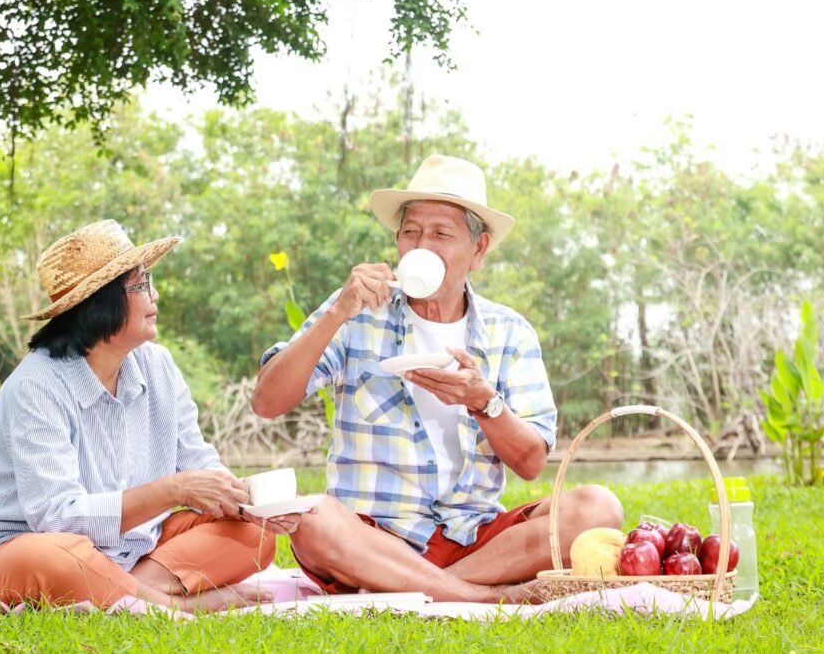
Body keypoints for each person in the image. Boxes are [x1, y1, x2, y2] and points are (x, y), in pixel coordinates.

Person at [251, 155, 623, 604]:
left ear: (479, 250)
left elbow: (530, 462)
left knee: (597, 508)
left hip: (475, 536)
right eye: (411, 232)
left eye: (441, 234)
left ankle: (419, 588)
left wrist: (486, 402)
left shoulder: (510, 332)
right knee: (313, 518)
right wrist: (335, 313)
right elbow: (267, 402)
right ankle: (481, 598)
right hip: (373, 536)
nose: (421, 246)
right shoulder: (355, 311)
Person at [0, 219, 301, 612]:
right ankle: (176, 605)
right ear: (101, 302)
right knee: (57, 556)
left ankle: (122, 590)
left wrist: (249, 502)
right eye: (141, 284)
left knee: (253, 535)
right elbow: (56, 518)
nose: (155, 293)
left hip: (130, 548)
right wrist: (174, 489)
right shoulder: (36, 385)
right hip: (18, 548)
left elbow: (199, 465)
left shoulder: (158, 366)